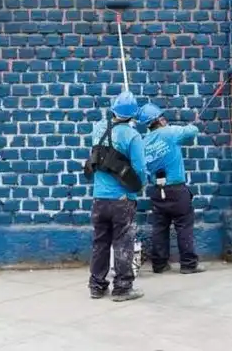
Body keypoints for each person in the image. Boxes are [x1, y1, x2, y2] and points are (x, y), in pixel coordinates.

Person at [86, 91, 147, 302]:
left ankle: (96, 285)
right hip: (122, 199)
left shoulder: (98, 129)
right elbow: (140, 170)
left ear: (113, 109)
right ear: (132, 115)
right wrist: (139, 186)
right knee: (123, 242)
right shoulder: (132, 136)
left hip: (99, 198)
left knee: (100, 242)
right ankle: (122, 288)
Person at [136, 102, 206, 274]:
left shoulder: (143, 142)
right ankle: (188, 264)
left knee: (160, 228)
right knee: (183, 226)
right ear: (159, 119)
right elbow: (192, 132)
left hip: (157, 191)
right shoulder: (170, 133)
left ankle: (159, 264)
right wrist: (192, 124)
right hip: (176, 189)